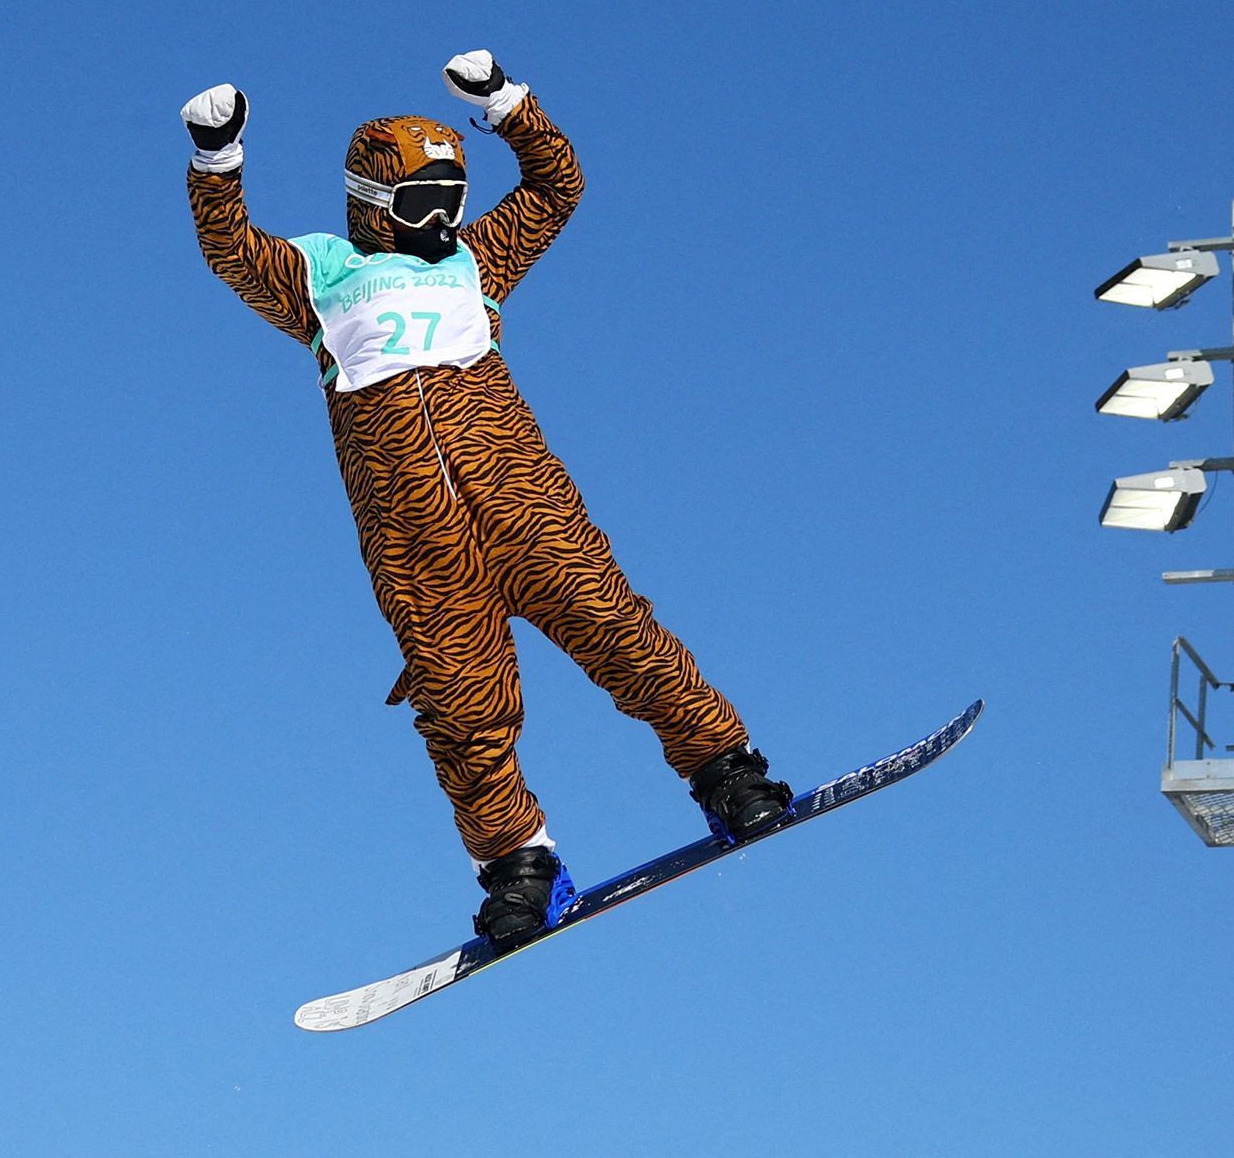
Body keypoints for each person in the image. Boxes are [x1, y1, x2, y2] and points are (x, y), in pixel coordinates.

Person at [180, 52, 790, 949]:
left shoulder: (473, 259)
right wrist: (217, 160)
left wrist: (505, 103)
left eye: (451, 204)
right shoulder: (318, 276)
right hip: (413, 531)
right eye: (419, 206)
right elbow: (230, 248)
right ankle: (520, 868)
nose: (439, 223)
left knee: (616, 629)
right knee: (460, 705)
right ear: (369, 204)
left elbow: (555, 186)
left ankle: (726, 771)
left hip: (522, 497)